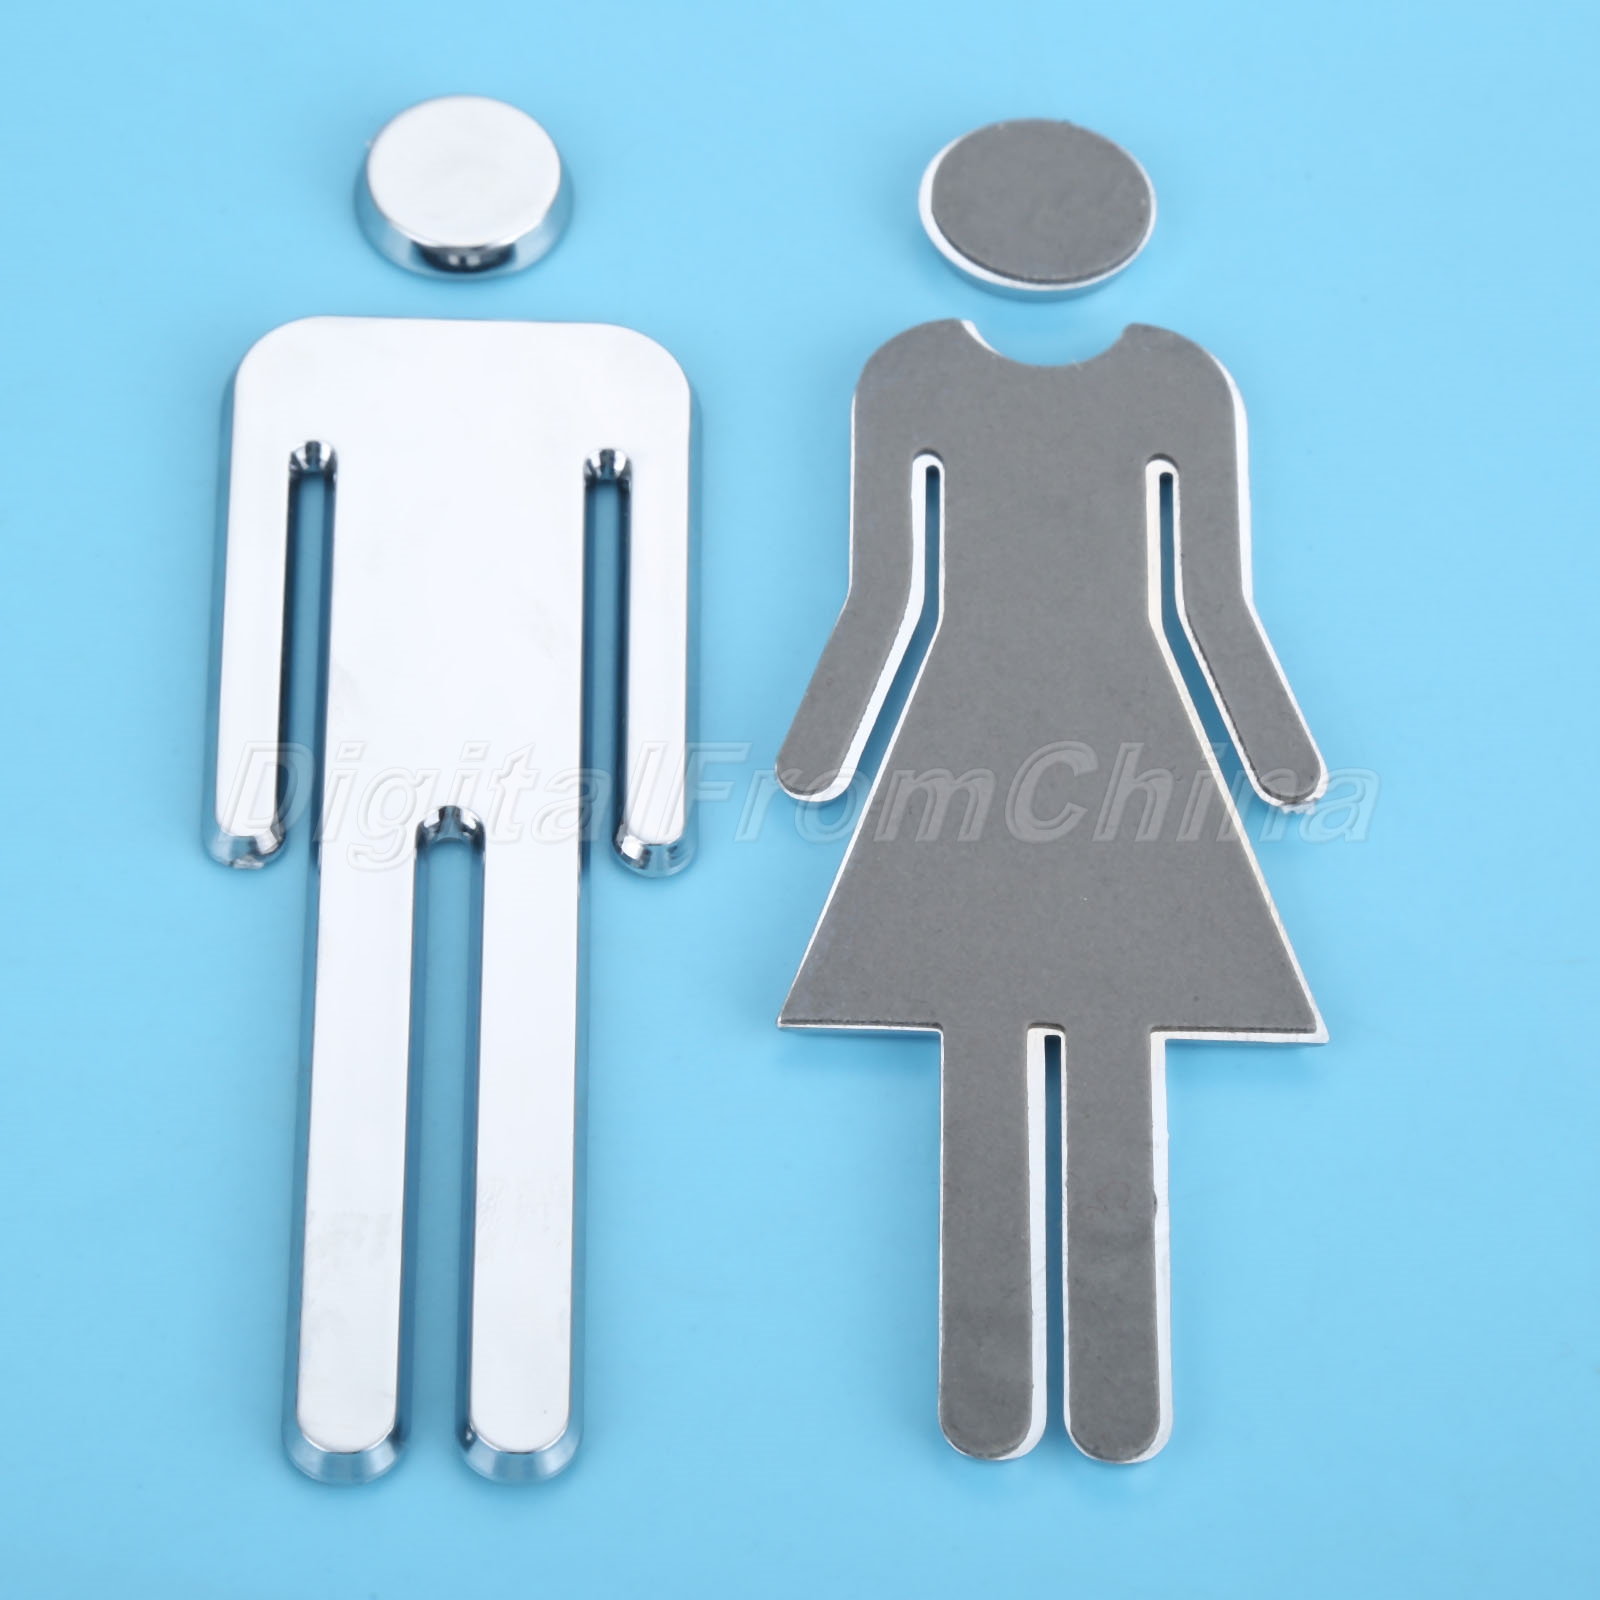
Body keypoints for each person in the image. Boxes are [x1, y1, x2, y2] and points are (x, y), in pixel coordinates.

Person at [778, 119, 1327, 1465]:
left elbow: (1204, 601)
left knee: (1059, 1007)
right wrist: (1275, 757)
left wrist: (820, 754)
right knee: (1044, 1008)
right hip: (1038, 727)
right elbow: (894, 595)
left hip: (1042, 731)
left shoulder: (1145, 383)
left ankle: (1088, 1378)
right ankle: (1017, 1381)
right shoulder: (927, 377)